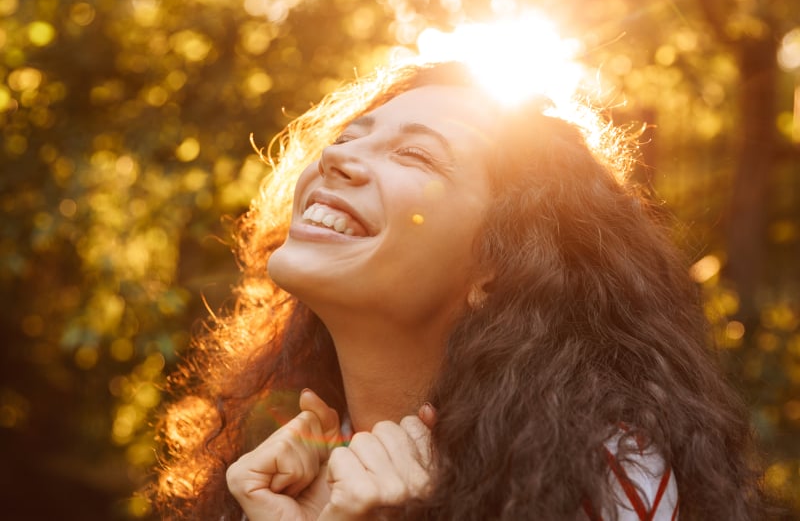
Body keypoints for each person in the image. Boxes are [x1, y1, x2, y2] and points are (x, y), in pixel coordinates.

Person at [149, 62, 763, 520]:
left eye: (416, 156)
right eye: (345, 138)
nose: (339, 160)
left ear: (499, 263)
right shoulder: (275, 475)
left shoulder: (609, 477)